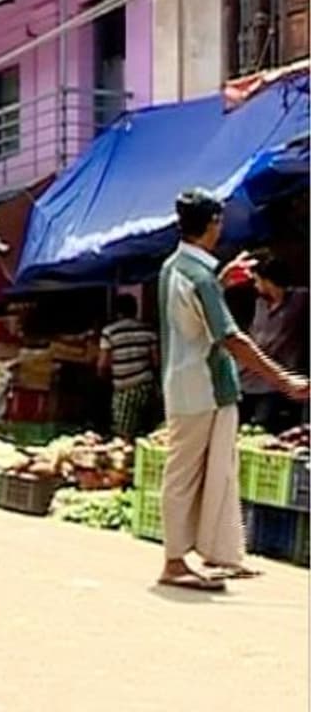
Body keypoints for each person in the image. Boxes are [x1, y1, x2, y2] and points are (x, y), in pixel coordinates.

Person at [155, 189, 309, 592]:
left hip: (194, 387)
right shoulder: (200, 277)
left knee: (218, 470)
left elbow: (194, 317)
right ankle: (174, 562)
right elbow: (230, 338)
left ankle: (220, 553)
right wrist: (283, 378)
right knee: (187, 474)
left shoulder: (177, 268)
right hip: (201, 388)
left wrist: (221, 282)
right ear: (213, 225)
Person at [240, 254, 309, 433]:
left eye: (257, 281)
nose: (256, 286)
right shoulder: (259, 304)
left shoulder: (300, 299)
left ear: (268, 281)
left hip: (277, 383)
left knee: (266, 429)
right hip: (249, 379)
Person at [98, 294, 160, 439]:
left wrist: (103, 381)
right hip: (146, 386)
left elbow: (103, 364)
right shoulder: (148, 330)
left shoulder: (109, 332)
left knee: (124, 434)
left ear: (117, 312)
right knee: (147, 433)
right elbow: (156, 361)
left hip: (124, 387)